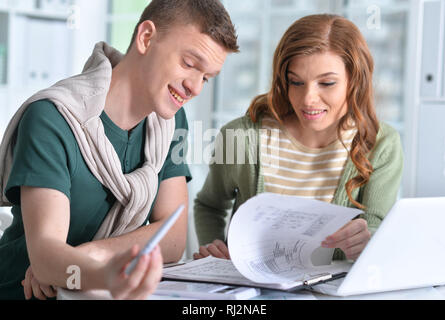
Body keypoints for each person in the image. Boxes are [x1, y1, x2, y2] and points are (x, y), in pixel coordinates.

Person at [0, 0, 238, 300]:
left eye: (206, 77)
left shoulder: (170, 121)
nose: (196, 87)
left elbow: (173, 238)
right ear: (146, 38)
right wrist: (108, 273)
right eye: (190, 64)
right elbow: (47, 257)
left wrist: (91, 257)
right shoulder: (53, 118)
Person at [193, 14, 403, 263]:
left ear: (354, 81)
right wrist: (214, 251)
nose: (307, 99)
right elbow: (209, 205)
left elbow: (376, 228)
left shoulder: (381, 145)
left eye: (326, 83)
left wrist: (366, 242)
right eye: (296, 82)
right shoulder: (242, 137)